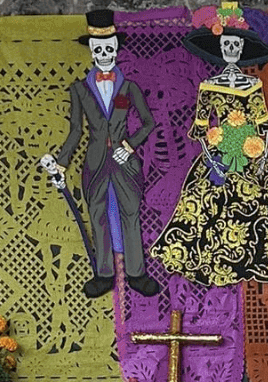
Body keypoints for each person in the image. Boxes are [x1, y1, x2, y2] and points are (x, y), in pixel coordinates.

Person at [148, 2, 268, 286]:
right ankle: (218, 262)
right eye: (227, 44)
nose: (231, 50)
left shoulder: (252, 86)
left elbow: (263, 121)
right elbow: (202, 127)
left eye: (236, 45)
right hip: (220, 154)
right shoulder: (209, 86)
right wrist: (211, 157)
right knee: (209, 208)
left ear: (241, 50)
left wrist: (263, 154)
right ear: (220, 48)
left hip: (253, 151)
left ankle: (261, 258)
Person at [40, 10, 161, 298]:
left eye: (109, 48)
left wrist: (129, 146)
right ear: (92, 52)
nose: (104, 54)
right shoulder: (80, 90)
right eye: (99, 50)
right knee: (98, 217)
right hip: (94, 164)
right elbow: (75, 131)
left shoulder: (128, 88)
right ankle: (104, 274)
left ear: (116, 50)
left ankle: (137, 273)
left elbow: (148, 123)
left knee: (131, 215)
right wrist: (61, 162)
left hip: (125, 164)